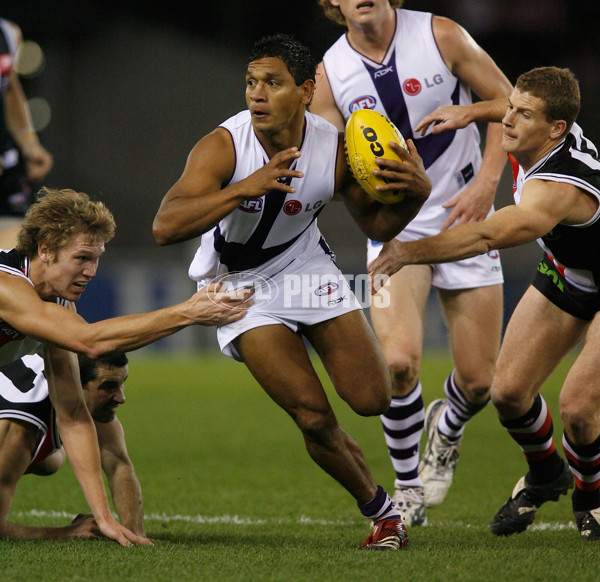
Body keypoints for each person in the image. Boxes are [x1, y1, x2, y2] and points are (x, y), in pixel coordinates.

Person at [153, 33, 432, 550]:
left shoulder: (337, 146)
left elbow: (377, 224)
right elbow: (165, 226)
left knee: (373, 398)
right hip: (238, 286)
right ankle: (383, 513)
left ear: (306, 91)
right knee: (312, 414)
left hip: (304, 267)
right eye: (251, 82)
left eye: (273, 83)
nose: (256, 94)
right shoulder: (223, 145)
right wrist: (244, 186)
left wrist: (418, 195)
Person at [369, 66, 600, 540]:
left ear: (555, 129)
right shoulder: (546, 131)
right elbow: (509, 107)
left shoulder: (557, 187)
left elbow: (489, 233)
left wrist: (408, 252)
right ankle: (543, 474)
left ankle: (590, 497)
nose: (508, 121)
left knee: (577, 409)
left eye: (523, 114)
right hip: (570, 273)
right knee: (507, 393)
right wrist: (469, 111)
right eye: (510, 107)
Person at [311, 0, 512, 526]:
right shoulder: (330, 73)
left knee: (478, 383)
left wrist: (489, 183)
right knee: (397, 363)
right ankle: (407, 488)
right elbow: (328, 164)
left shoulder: (443, 34)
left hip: (466, 218)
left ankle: (445, 425)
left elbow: (510, 102)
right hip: (394, 234)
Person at [0, 186, 252, 546]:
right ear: (45, 250)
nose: (90, 271)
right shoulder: (6, 286)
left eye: (97, 258)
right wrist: (187, 312)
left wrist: (104, 518)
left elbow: (72, 413)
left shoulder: (57, 305)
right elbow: (92, 342)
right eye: (82, 258)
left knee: (50, 452)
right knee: (32, 439)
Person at [0, 352, 145, 539]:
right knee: (45, 457)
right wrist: (67, 532)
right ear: (76, 385)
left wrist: (134, 533)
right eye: (109, 387)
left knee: (54, 459)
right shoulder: (20, 429)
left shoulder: (70, 384)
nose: (121, 397)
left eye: (121, 383)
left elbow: (118, 465)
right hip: (9, 436)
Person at [0, 18, 53, 249]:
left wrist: (29, 142)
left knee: (17, 251)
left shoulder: (8, 33)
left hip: (6, 161)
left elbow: (10, 87)